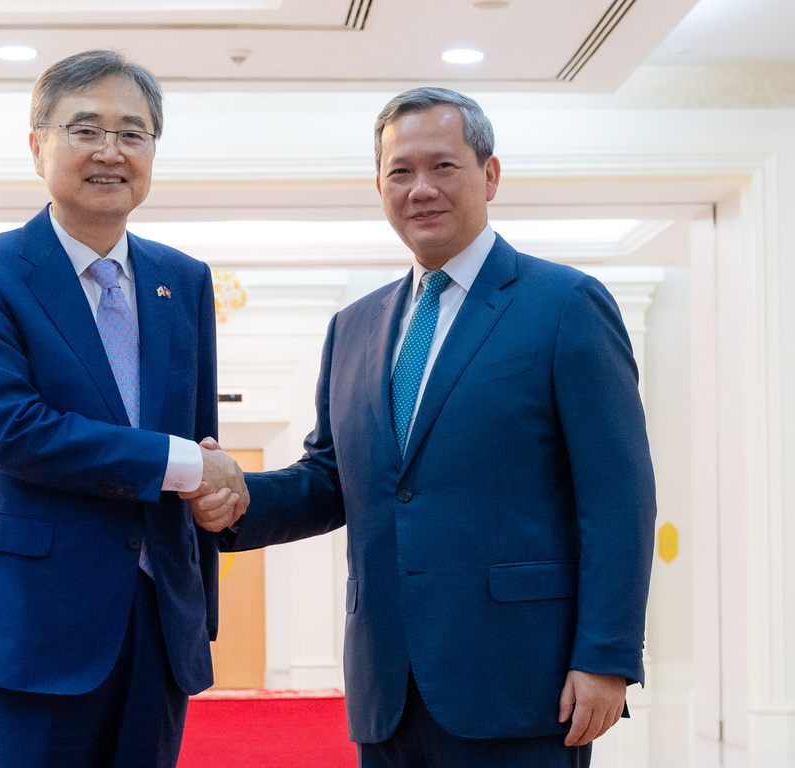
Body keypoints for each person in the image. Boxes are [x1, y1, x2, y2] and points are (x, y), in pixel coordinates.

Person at [187, 87, 656, 767]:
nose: (421, 189)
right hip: (387, 686)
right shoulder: (354, 327)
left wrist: (606, 656)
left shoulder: (565, 305)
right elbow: (332, 479)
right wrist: (235, 496)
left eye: (443, 166)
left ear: (490, 175)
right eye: (400, 172)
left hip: (521, 682)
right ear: (379, 186)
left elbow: (618, 496)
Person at [0, 49, 247, 768]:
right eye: (85, 130)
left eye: (132, 133)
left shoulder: (184, 280)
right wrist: (184, 465)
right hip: (32, 625)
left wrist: (197, 607)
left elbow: (202, 435)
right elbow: (13, 431)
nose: (111, 151)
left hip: (158, 621)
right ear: (37, 145)